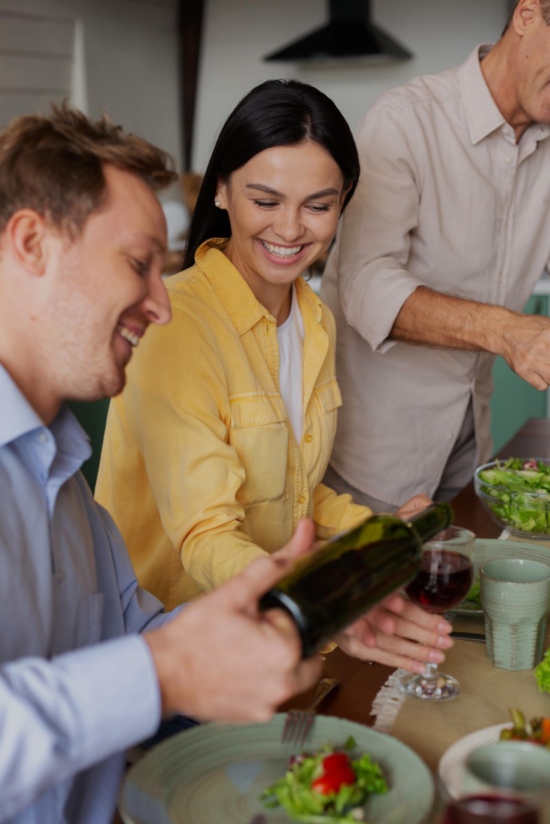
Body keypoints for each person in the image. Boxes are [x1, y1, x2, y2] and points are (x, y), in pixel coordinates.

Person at [0, 105, 452, 824]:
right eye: (138, 263)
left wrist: (317, 606)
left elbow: (134, 630)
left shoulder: (62, 472)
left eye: (318, 204)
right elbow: (163, 639)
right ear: (30, 243)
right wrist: (167, 671)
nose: (161, 302)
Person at [321, 0, 550, 513]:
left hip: (471, 444)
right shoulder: (407, 121)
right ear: (528, 14)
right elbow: (364, 285)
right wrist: (507, 331)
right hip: (379, 456)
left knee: (458, 590)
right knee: (380, 593)